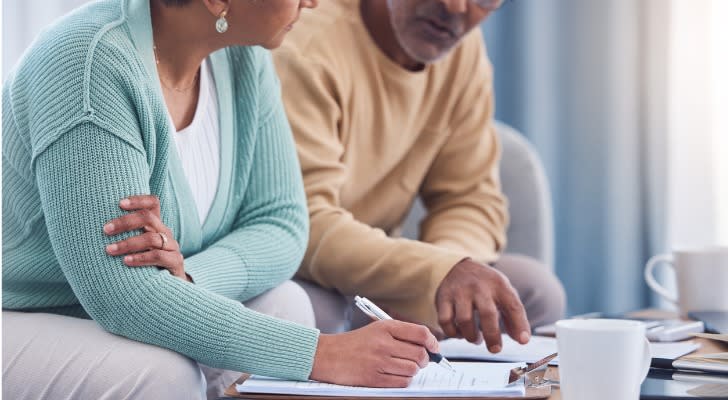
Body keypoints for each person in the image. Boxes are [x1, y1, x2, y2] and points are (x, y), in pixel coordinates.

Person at [1, 0, 440, 398]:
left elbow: (281, 223)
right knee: (161, 374)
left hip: (105, 306)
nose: (313, 1)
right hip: (19, 312)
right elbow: (123, 295)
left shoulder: (241, 54)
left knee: (285, 303)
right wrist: (322, 354)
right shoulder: (87, 61)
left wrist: (188, 277)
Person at [273, 0, 566, 352]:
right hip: (308, 272)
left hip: (386, 269)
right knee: (310, 312)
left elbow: (470, 198)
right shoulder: (308, 48)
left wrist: (439, 283)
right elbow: (305, 225)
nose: (455, 8)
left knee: (536, 292)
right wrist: (432, 274)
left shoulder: (461, 51)